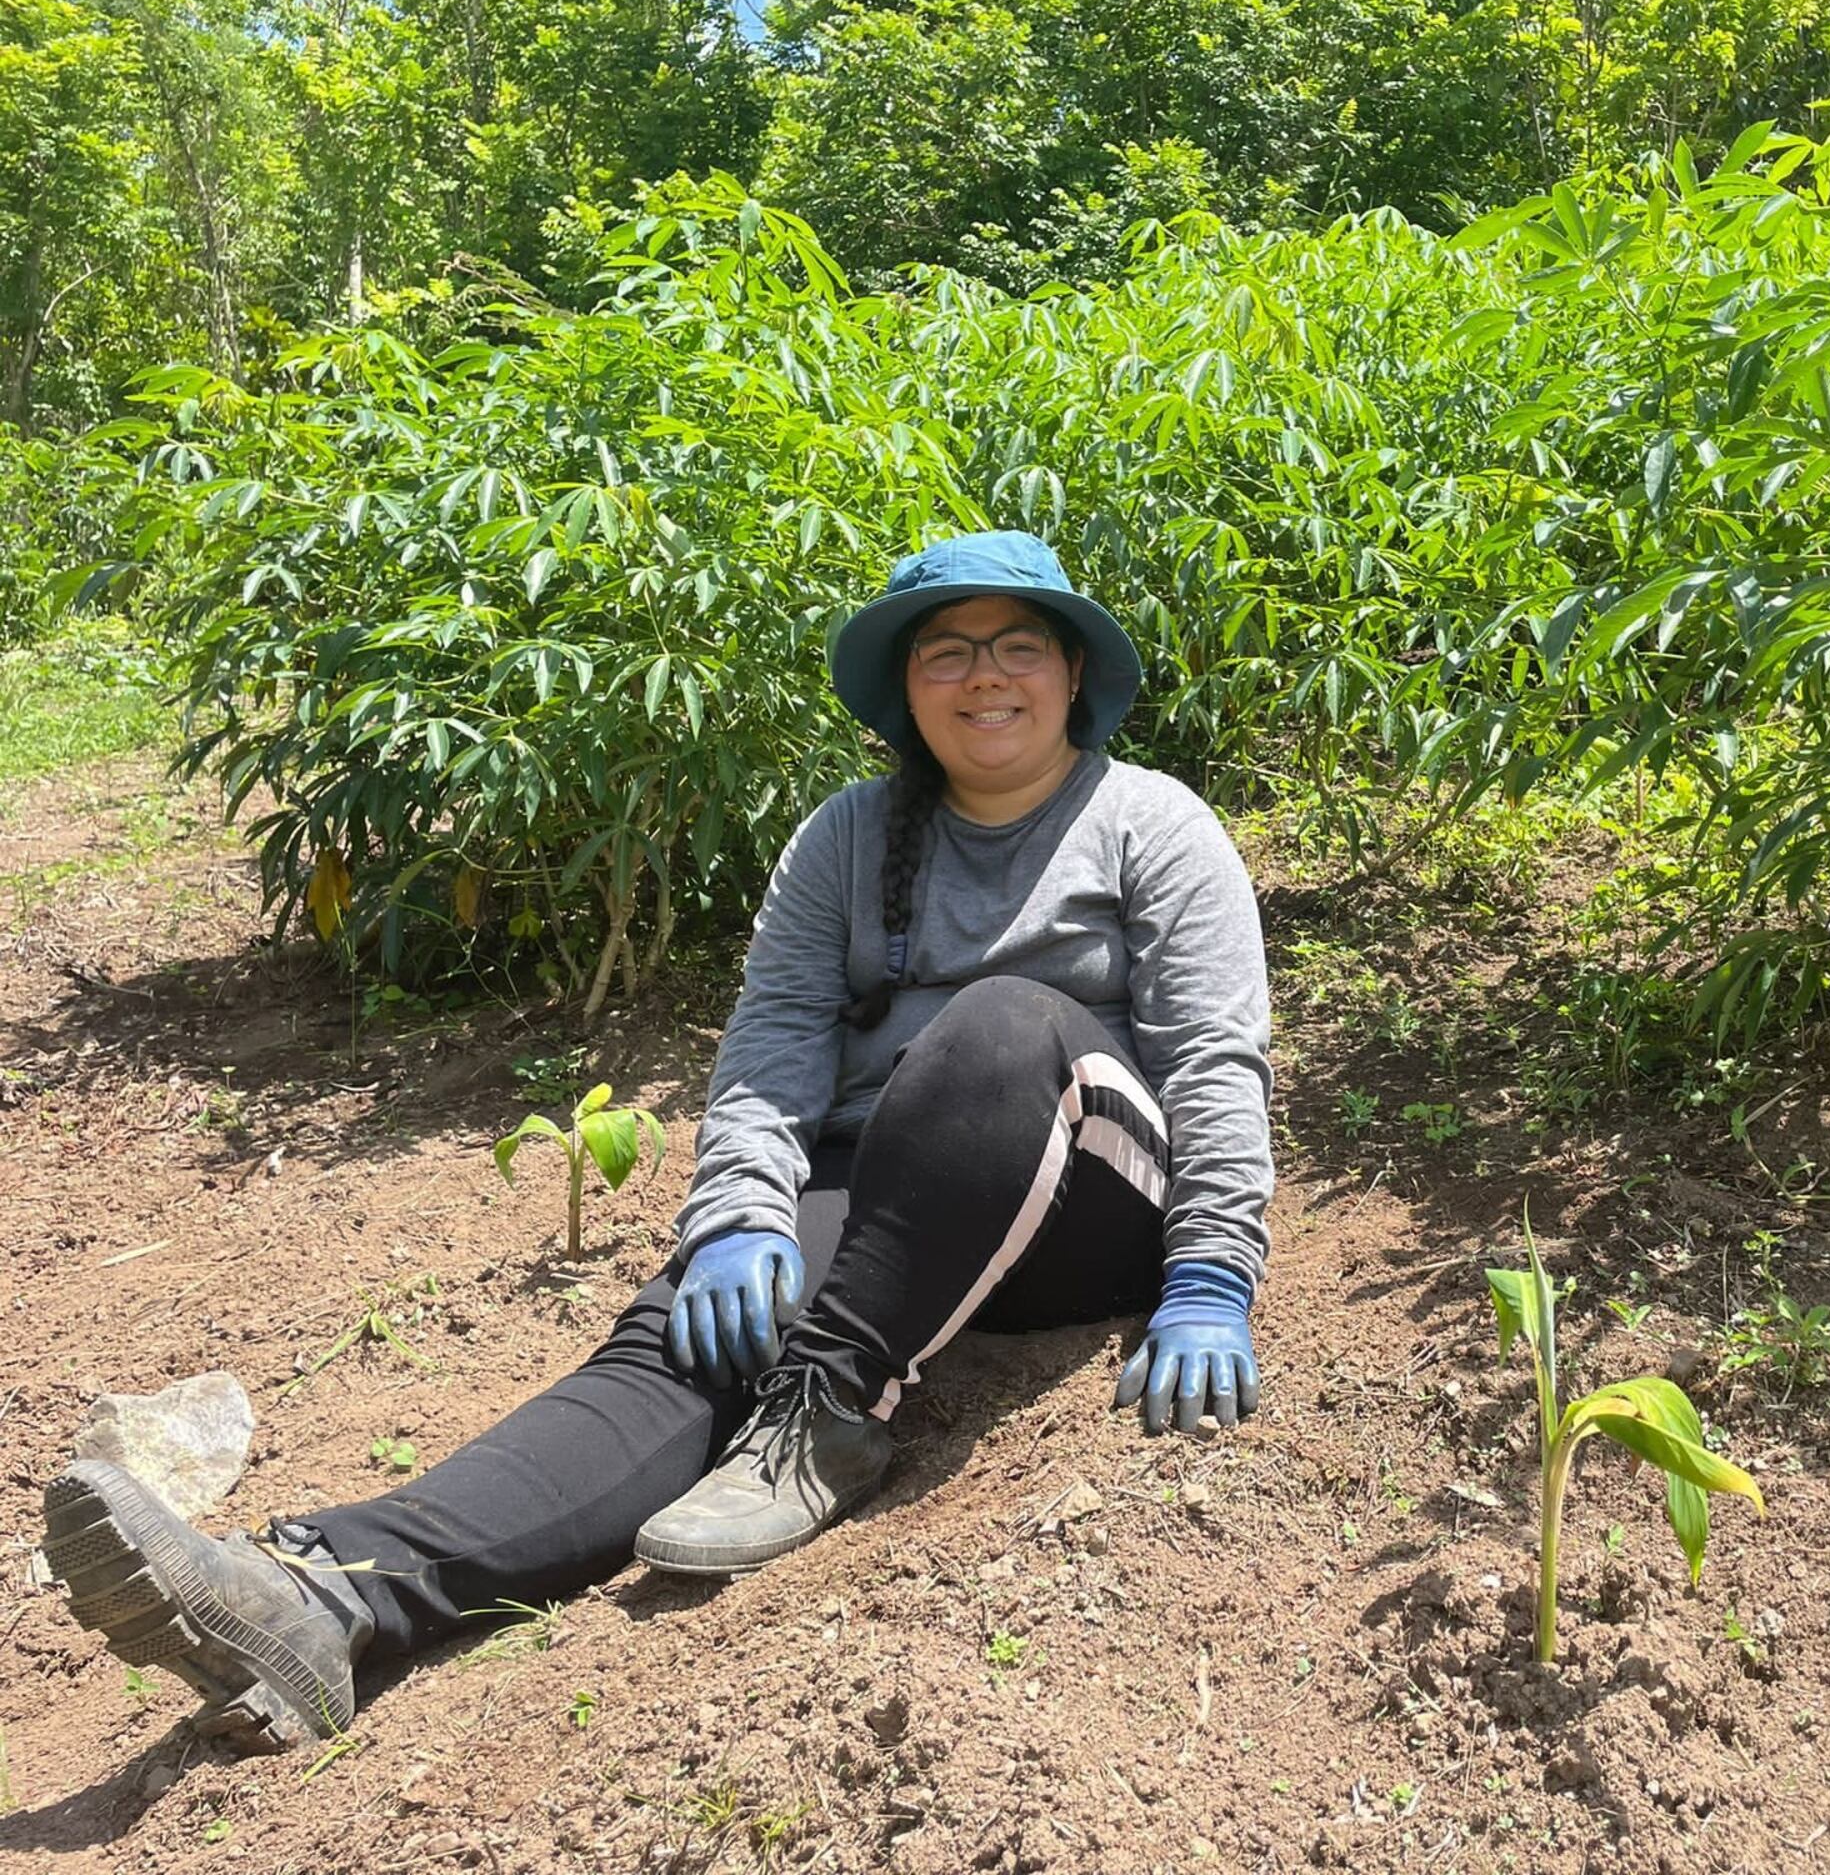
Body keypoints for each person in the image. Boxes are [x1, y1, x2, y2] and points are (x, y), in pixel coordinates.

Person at [40, 531, 1273, 1752]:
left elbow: (1214, 1061)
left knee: (1001, 1027)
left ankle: (827, 1411)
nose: (983, 675)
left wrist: (1211, 1272)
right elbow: (773, 1049)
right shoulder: (845, 837)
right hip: (892, 1206)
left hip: (1082, 1193)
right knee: (683, 1337)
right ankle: (334, 1595)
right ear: (905, 690)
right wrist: (736, 1218)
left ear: (1070, 676)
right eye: (946, 651)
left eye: (1016, 646)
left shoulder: (1150, 823)